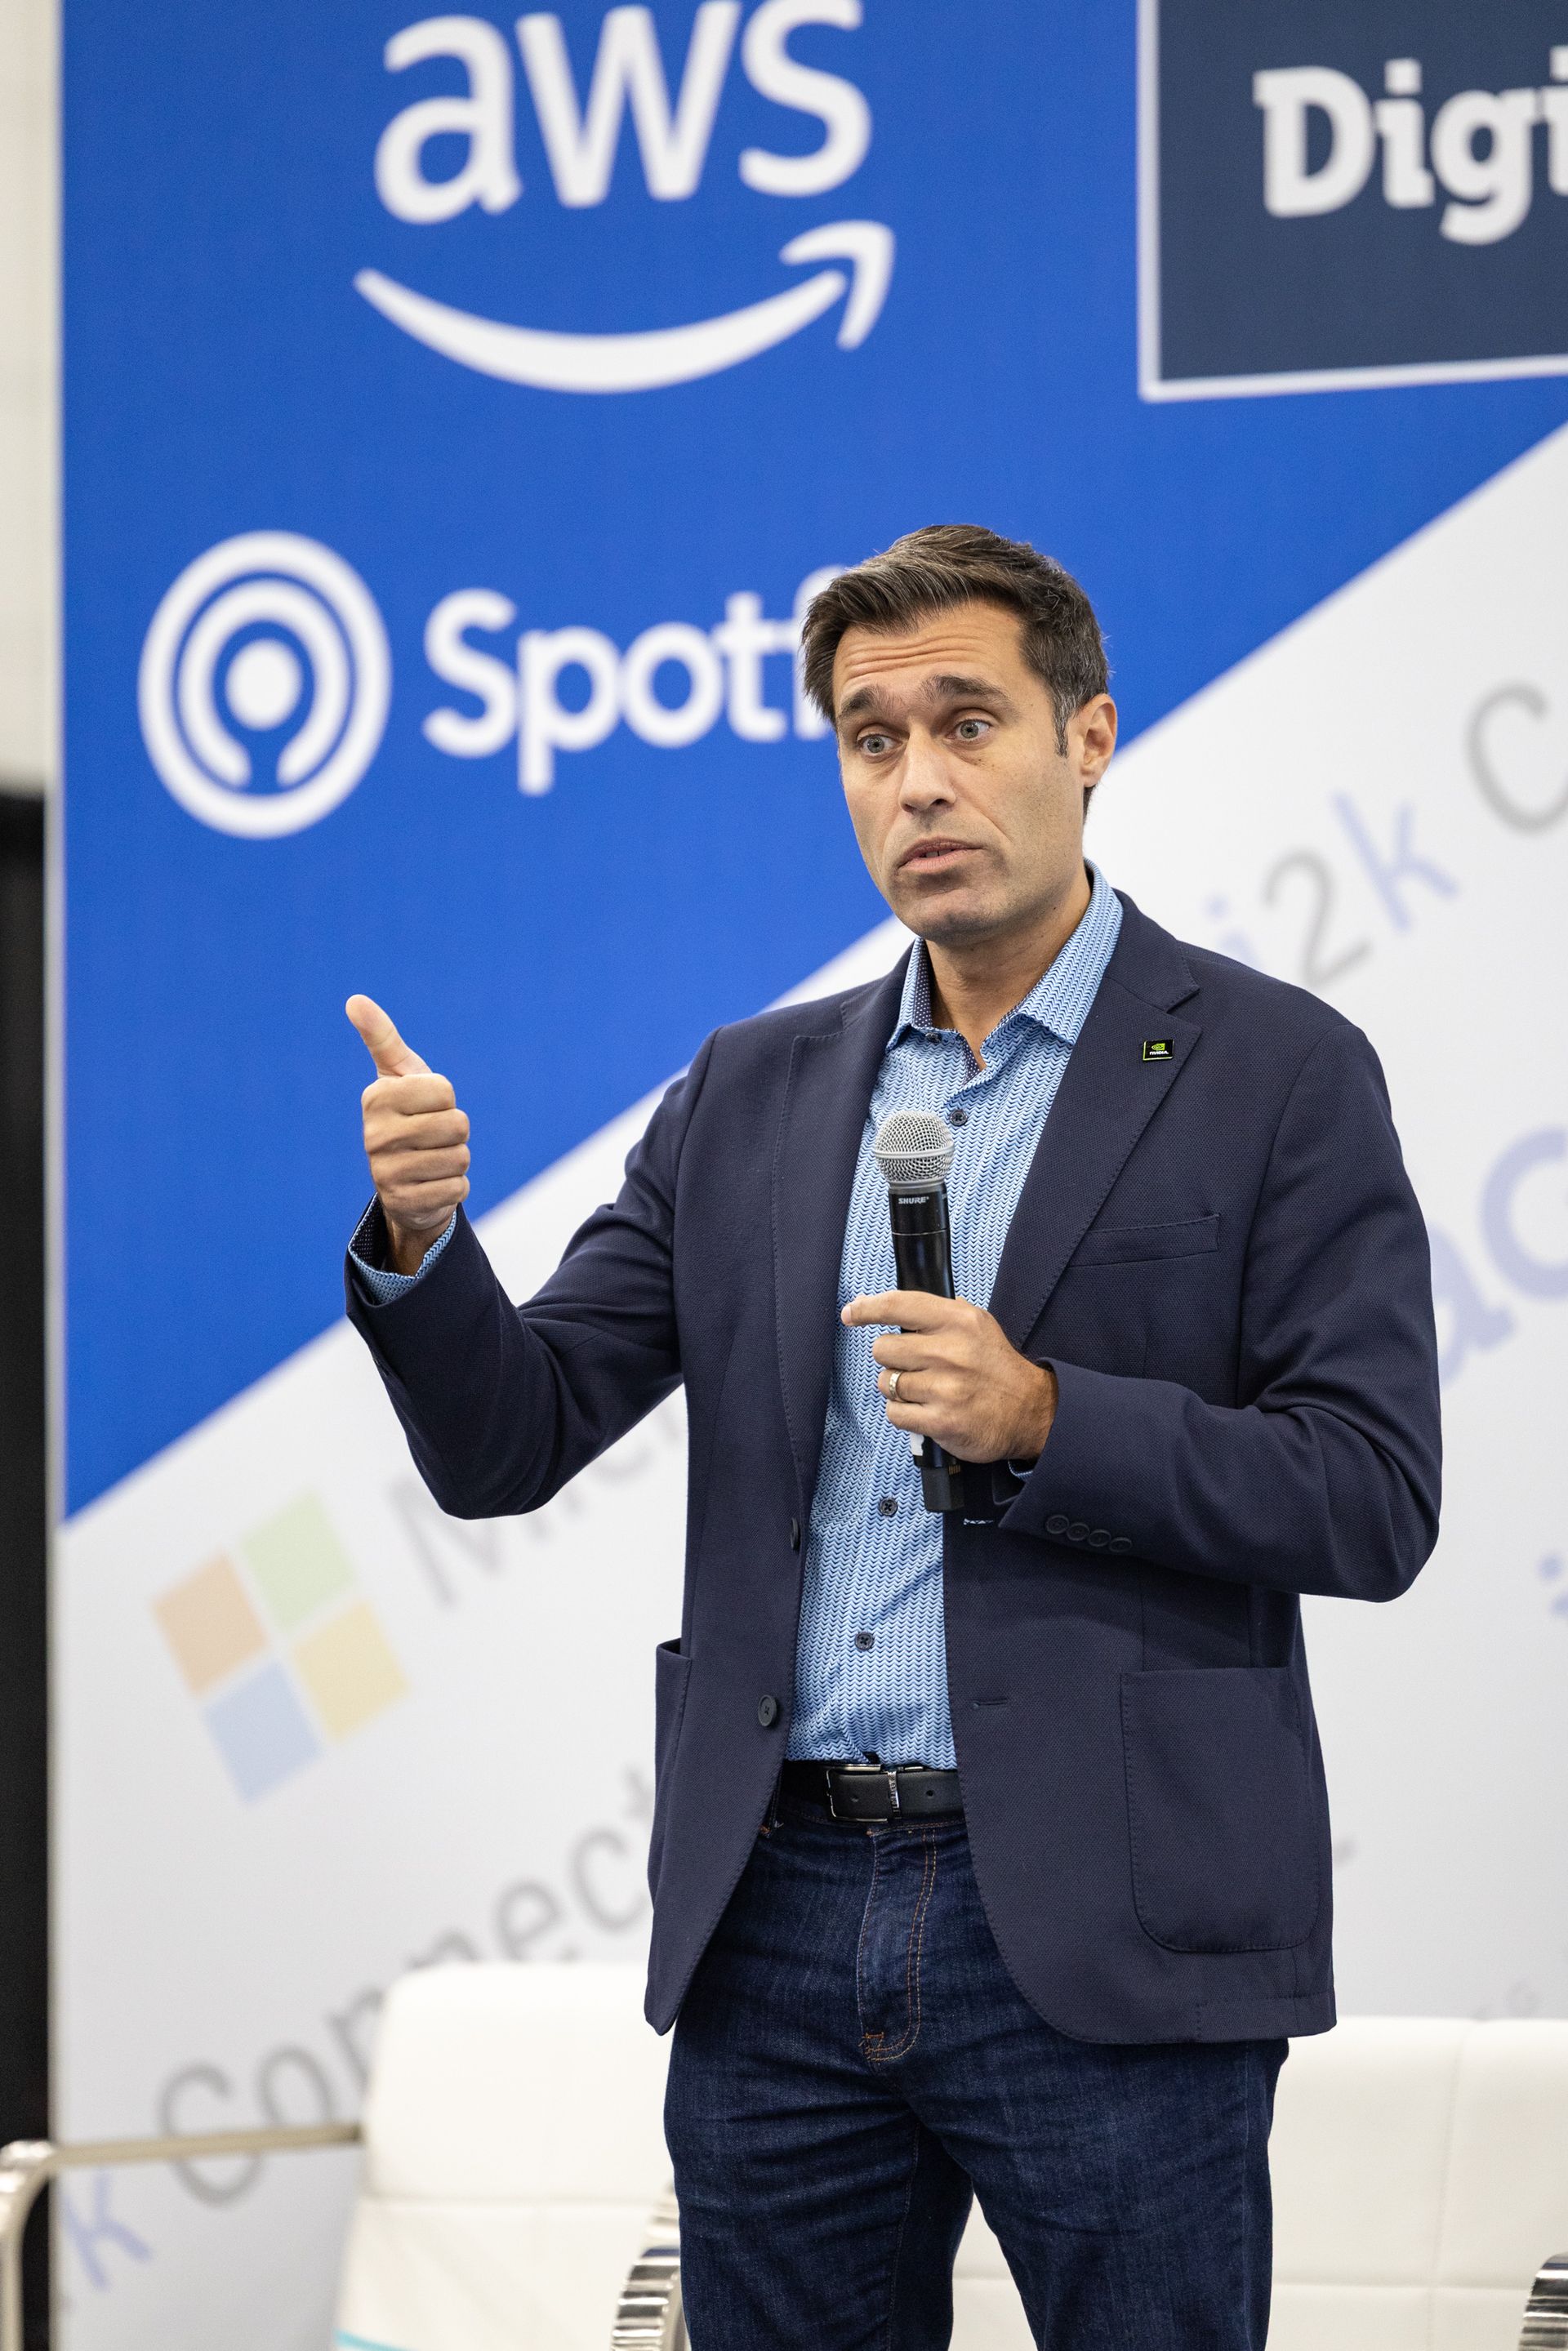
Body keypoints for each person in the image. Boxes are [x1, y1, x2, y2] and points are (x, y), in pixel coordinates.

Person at [343, 525, 1441, 2350]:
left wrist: (1051, 1420)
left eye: (966, 721)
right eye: (870, 737)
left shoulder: (1275, 1071)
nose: (917, 777)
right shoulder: (749, 1093)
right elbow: (511, 1438)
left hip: (1108, 1929)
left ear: (1089, 737)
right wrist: (422, 1245)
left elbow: (1372, 1491)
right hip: (775, 1920)